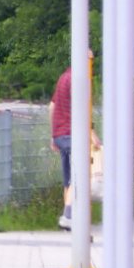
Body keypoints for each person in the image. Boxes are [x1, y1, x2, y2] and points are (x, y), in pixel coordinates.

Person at [50, 61, 101, 230]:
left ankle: (69, 222)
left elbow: (52, 106)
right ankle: (67, 216)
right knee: (79, 177)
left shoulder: (63, 78)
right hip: (73, 136)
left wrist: (53, 135)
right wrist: (91, 134)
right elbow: (80, 111)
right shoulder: (78, 80)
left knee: (68, 181)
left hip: (60, 135)